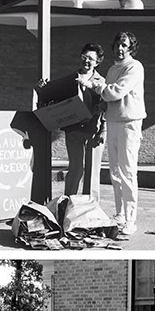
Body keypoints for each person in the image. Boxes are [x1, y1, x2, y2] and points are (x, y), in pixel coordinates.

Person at [77, 32, 146, 235]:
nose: (120, 48)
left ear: (131, 48)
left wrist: (94, 85)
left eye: (124, 45)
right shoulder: (114, 68)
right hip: (114, 122)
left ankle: (131, 220)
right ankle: (120, 215)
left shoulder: (134, 67)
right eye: (117, 44)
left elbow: (115, 91)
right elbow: (108, 99)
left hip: (129, 124)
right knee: (115, 172)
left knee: (127, 172)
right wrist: (100, 108)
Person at [63, 43, 106, 201]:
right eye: (84, 57)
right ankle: (67, 206)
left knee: (92, 172)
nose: (86, 61)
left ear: (97, 62)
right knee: (75, 169)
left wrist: (103, 130)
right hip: (73, 130)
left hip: (93, 131)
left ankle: (90, 209)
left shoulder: (102, 82)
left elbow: (106, 107)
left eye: (91, 58)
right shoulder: (70, 79)